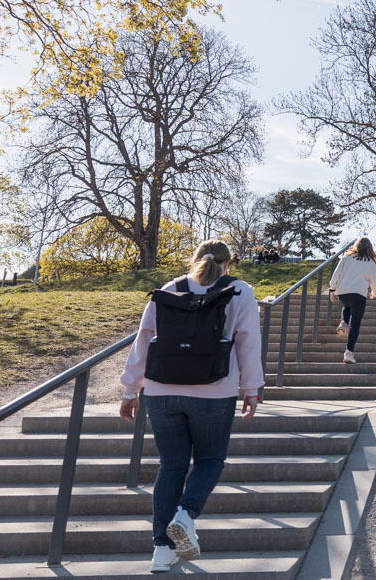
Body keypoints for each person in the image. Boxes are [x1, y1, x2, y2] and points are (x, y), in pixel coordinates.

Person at [119, 240, 262, 574]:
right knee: (210, 460)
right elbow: (248, 341)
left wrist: (130, 389)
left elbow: (144, 338)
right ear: (229, 264)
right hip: (214, 390)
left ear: (195, 260)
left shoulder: (170, 288)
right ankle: (185, 514)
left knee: (170, 466)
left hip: (160, 390)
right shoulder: (240, 291)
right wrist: (251, 389)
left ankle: (161, 551)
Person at [326, 237, 376, 364]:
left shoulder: (346, 258)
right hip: (359, 294)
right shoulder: (370, 262)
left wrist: (332, 289)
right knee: (355, 324)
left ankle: (344, 322)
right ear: (370, 249)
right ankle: (349, 353)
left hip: (343, 293)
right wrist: (375, 293)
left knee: (348, 306)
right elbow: (375, 282)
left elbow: (336, 274)